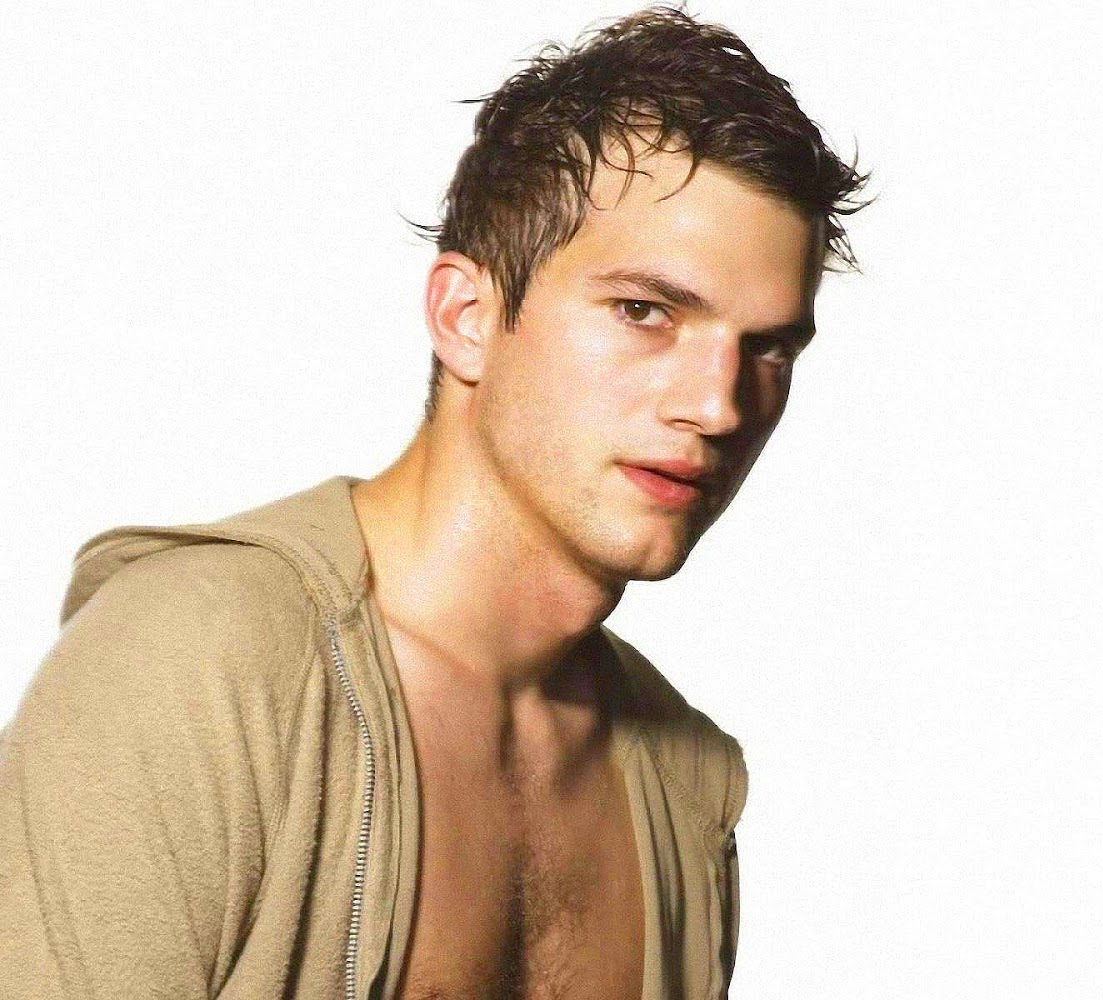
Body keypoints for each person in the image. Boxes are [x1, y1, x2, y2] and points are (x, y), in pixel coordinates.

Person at [0, 7, 868, 998]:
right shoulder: (202, 664)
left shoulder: (685, 785)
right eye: (645, 312)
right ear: (466, 317)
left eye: (767, 348)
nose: (717, 406)